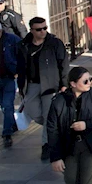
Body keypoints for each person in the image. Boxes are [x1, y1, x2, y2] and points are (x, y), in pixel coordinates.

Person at [17, 16, 68, 160]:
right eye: (39, 29)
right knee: (33, 111)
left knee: (48, 114)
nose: (43, 31)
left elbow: (63, 64)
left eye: (45, 28)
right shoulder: (24, 45)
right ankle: (55, 126)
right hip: (32, 84)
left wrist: (64, 84)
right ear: (32, 30)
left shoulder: (54, 43)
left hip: (50, 85)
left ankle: (47, 145)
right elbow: (21, 67)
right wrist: (21, 87)